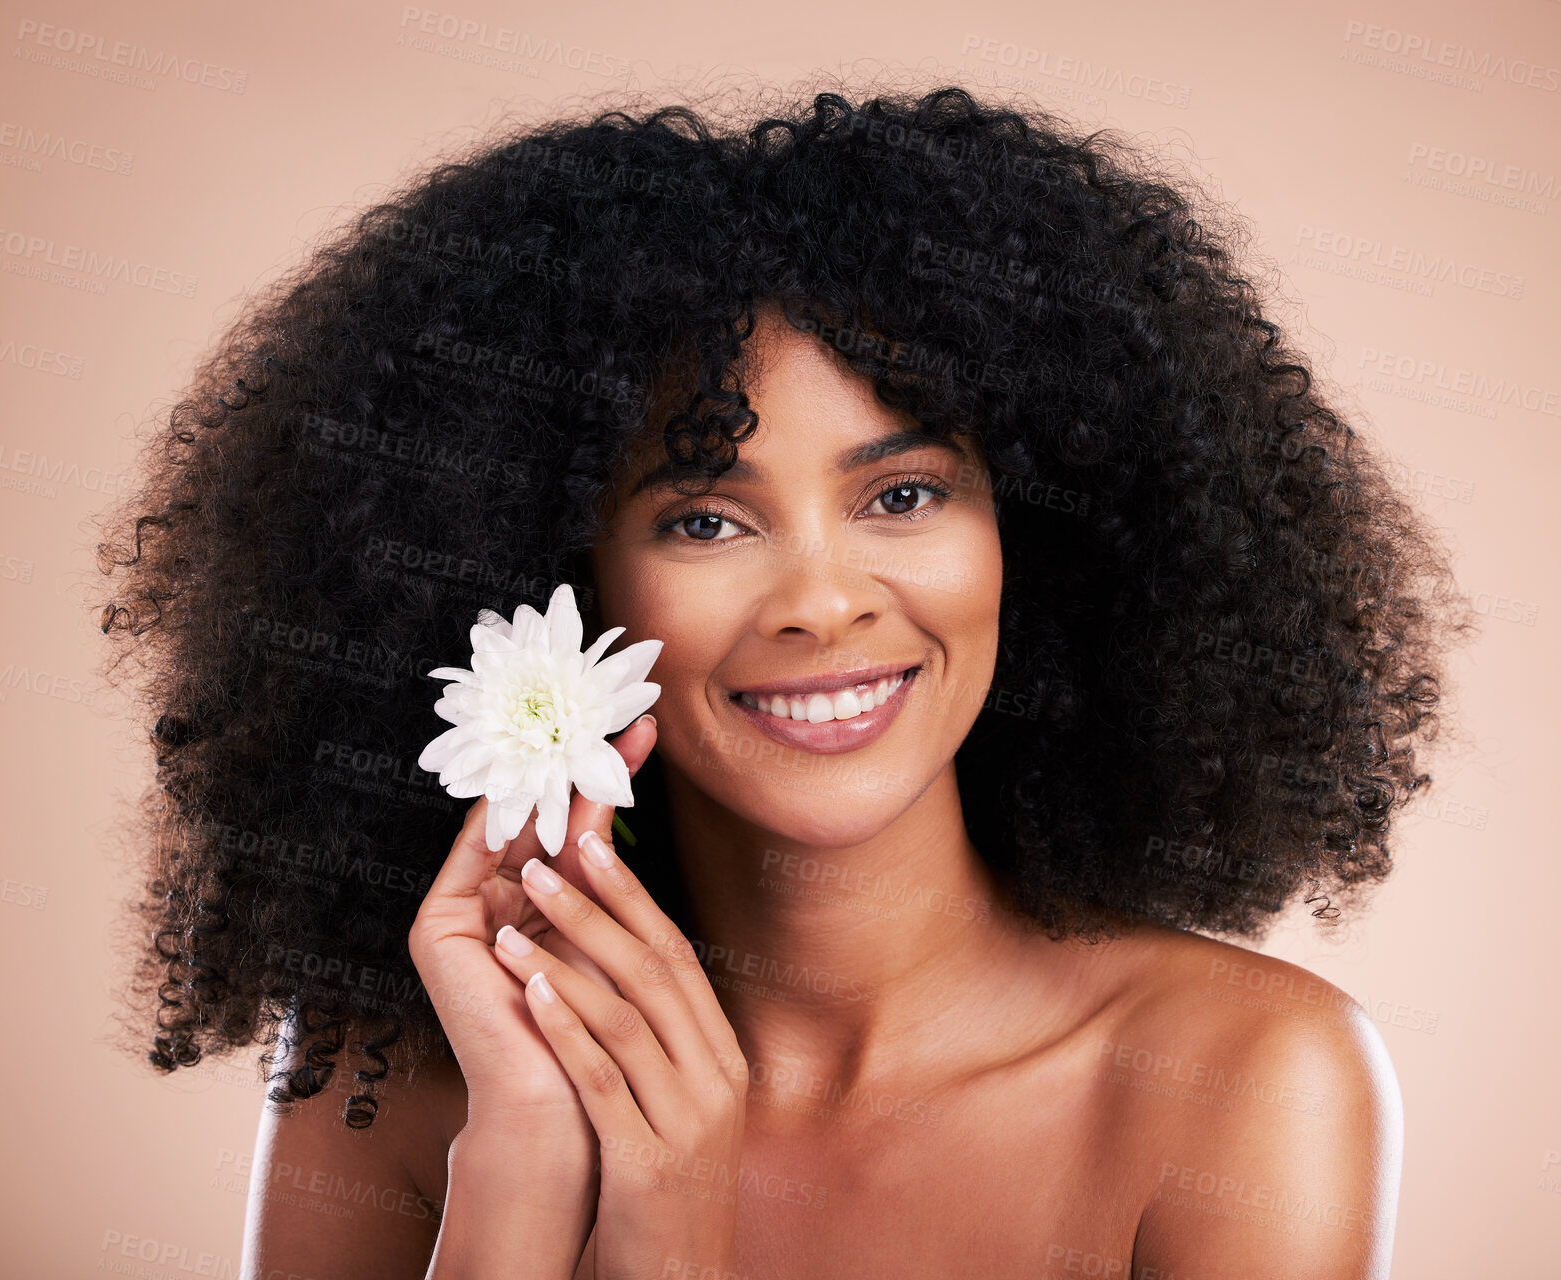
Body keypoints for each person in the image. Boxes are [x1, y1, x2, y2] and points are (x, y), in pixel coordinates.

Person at [92, 81, 1474, 1279]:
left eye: (904, 494)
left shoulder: (1240, 1084)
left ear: (1032, 537)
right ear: (558, 578)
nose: (821, 600)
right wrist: (513, 1175)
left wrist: (674, 1240)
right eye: (704, 518)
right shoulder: (388, 1073)